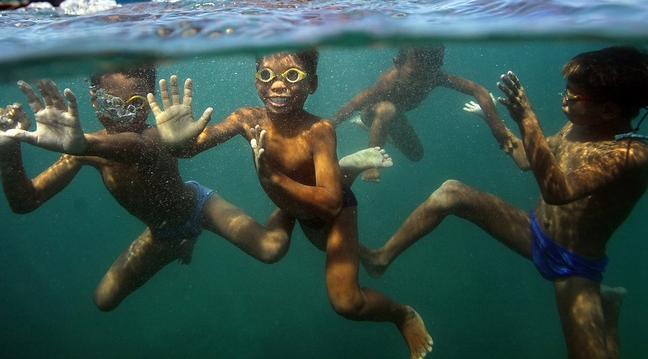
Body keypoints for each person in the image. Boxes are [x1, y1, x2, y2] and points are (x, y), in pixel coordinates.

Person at [360, 46, 648, 359]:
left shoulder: (631, 155)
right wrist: (494, 122)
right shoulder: (576, 127)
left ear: (609, 111)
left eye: (575, 96)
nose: (564, 97)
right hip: (533, 230)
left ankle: (610, 315)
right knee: (451, 192)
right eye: (567, 90)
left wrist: (528, 119)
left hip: (573, 262)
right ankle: (381, 258)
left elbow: (558, 191)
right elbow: (528, 160)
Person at [147, 50, 433, 359]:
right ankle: (346, 169)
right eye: (266, 75)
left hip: (332, 210)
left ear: (313, 85)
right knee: (271, 250)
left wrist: (273, 179)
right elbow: (191, 148)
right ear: (256, 80)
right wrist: (178, 142)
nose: (278, 85)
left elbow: (329, 203)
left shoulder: (319, 130)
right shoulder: (247, 118)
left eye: (292, 76)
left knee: (347, 303)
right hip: (290, 204)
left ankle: (402, 315)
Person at [0, 66, 294, 311]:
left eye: (136, 106)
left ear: (149, 104)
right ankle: (181, 242)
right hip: (161, 232)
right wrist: (7, 148)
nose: (126, 116)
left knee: (271, 249)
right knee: (103, 300)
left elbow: (137, 148)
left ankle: (293, 203)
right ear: (94, 100)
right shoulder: (81, 151)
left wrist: (83, 142)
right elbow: (26, 201)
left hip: (200, 207)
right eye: (113, 104)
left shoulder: (157, 135)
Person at [330, 45, 515, 182]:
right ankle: (370, 162)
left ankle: (376, 131)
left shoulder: (436, 77)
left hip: (395, 117)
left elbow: (479, 90)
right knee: (387, 109)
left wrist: (499, 131)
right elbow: (352, 105)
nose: (419, 83)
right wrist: (325, 129)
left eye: (426, 76)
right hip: (371, 113)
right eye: (413, 76)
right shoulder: (387, 83)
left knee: (416, 155)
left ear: (437, 68)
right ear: (397, 64)